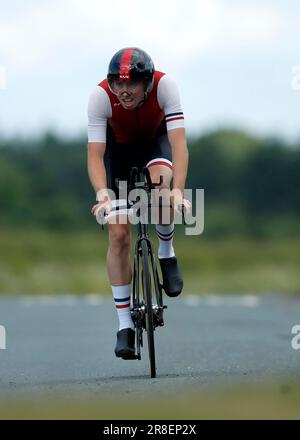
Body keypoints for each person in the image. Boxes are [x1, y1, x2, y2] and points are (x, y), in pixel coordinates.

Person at [87, 47, 190, 359]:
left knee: (161, 194)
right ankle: (124, 326)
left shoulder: (165, 86)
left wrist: (178, 191)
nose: (124, 91)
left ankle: (166, 253)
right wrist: (102, 193)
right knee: (118, 234)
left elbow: (179, 144)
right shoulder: (100, 97)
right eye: (118, 84)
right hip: (118, 152)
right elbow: (94, 154)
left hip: (155, 144)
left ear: (147, 83)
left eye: (131, 84)